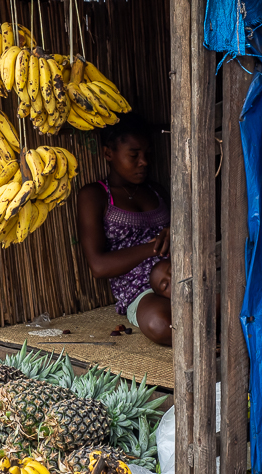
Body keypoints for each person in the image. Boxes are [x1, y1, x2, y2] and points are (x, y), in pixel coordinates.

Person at [76, 114, 172, 346]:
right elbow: (98, 267)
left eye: (147, 154)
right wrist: (151, 248)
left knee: (218, 301)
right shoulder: (95, 196)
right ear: (109, 153)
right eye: (134, 155)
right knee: (161, 324)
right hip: (139, 291)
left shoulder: (156, 191)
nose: (144, 162)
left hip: (175, 274)